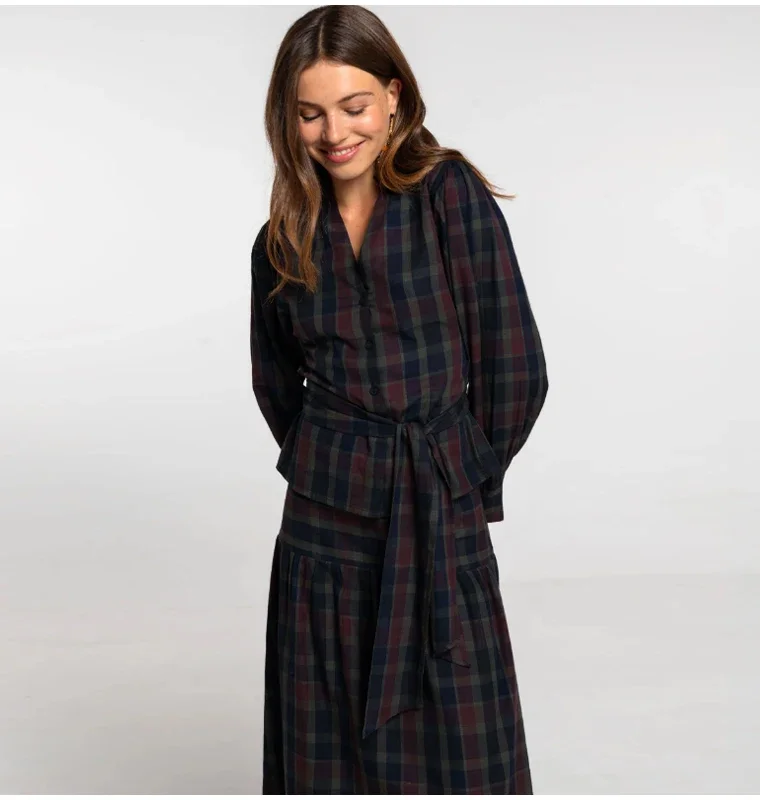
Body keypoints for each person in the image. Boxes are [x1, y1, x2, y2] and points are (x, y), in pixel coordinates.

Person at [249, 5, 548, 794]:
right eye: (310, 113)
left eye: (353, 106)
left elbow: (514, 364)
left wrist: (459, 477)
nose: (333, 132)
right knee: (325, 734)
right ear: (287, 119)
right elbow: (275, 385)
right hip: (325, 524)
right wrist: (339, 461)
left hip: (435, 503)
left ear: (393, 97)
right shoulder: (280, 238)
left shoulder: (447, 194)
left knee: (463, 739)